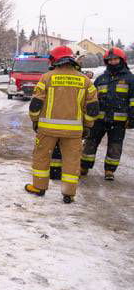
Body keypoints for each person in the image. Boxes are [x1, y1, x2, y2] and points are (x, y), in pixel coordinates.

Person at [25, 46, 99, 203]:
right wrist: (87, 126)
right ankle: (68, 193)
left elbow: (36, 104)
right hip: (74, 131)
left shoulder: (46, 78)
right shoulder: (85, 80)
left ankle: (39, 187)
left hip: (47, 130)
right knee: (72, 161)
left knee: (41, 157)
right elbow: (93, 108)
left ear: (55, 60)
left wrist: (35, 120)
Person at [81, 47, 134, 180]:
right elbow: (92, 98)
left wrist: (132, 117)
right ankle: (84, 166)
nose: (112, 62)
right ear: (106, 62)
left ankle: (109, 170)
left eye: (115, 59)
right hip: (99, 119)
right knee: (90, 143)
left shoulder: (130, 79)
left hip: (119, 121)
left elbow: (133, 100)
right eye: (110, 60)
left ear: (122, 60)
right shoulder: (101, 79)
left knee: (115, 146)